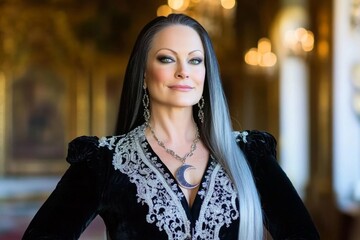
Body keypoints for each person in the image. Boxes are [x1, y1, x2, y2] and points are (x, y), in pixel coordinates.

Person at [22, 13, 319, 240]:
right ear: (143, 72)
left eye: (195, 60)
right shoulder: (103, 162)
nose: (183, 72)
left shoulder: (250, 155)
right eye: (167, 59)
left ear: (207, 72)